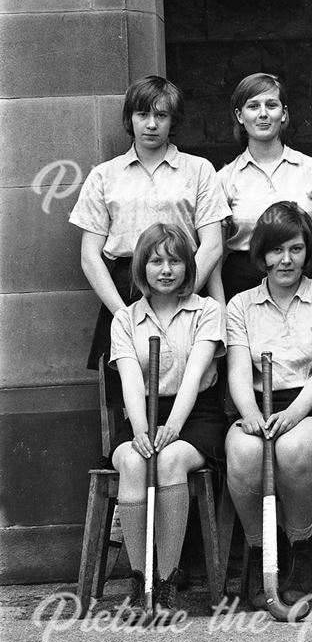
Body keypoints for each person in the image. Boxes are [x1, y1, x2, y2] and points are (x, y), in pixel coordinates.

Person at [69, 75, 228, 402]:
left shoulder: (198, 170)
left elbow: (212, 244)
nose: (152, 124)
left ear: (174, 120)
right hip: (125, 289)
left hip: (185, 283)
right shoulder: (104, 175)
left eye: (161, 115)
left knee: (190, 388)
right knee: (127, 395)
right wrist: (125, 313)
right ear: (130, 119)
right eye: (143, 115)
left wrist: (183, 295)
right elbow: (90, 255)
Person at [225, 203, 312, 607]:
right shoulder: (239, 306)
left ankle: (301, 550)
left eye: (295, 249)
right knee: (244, 454)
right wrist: (249, 417)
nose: (286, 259)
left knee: (292, 449)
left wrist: (291, 417)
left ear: (306, 251)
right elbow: (239, 375)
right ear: (261, 254)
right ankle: (265, 553)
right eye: (276, 250)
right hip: (257, 406)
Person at [108, 223, 227, 618]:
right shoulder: (124, 320)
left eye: (175, 260)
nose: (166, 269)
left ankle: (166, 581)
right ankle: (139, 578)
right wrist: (142, 433)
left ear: (188, 265)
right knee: (131, 460)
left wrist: (172, 428)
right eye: (156, 260)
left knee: (171, 460)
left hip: (194, 417)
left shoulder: (207, 311)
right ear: (142, 267)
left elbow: (195, 376)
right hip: (143, 413)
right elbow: (128, 380)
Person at [214, 72, 312, 301]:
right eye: (253, 106)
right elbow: (216, 256)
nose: (263, 114)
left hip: (304, 285)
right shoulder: (224, 178)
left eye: (271, 105)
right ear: (240, 116)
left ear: (284, 113)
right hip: (243, 289)